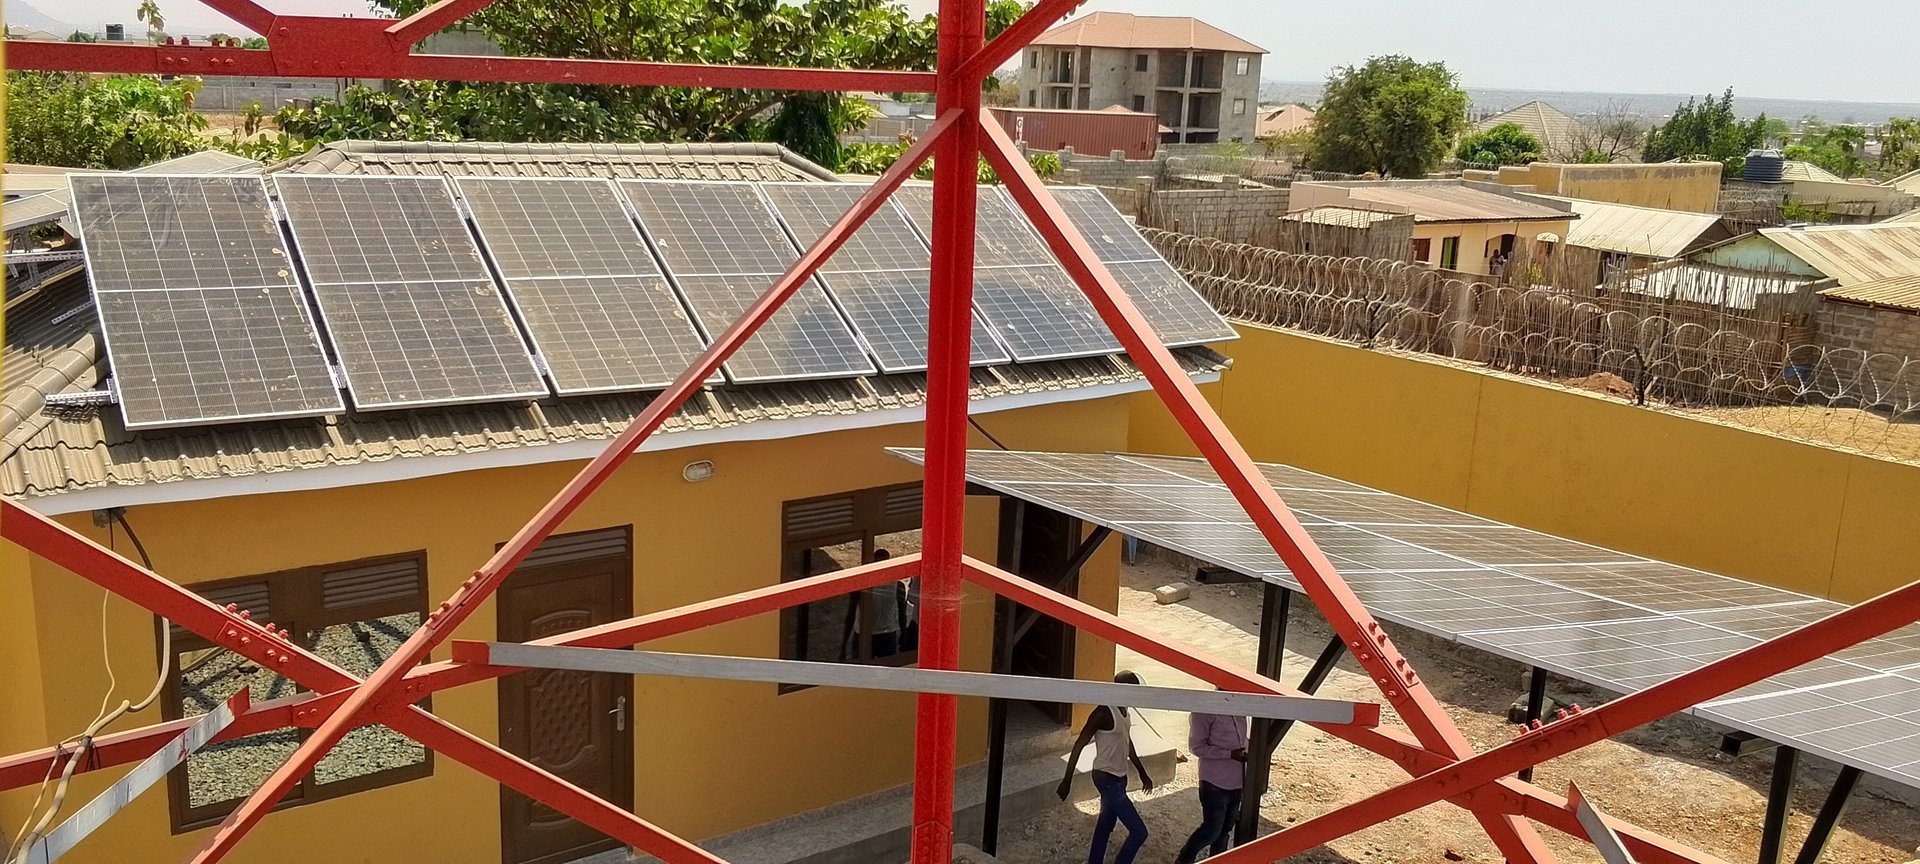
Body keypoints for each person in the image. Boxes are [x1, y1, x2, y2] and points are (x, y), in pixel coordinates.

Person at [1058, 671, 1154, 864]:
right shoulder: (1102, 713)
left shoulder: (1124, 710)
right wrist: (1067, 780)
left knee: (1105, 824)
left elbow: (1127, 742)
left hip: (1120, 778)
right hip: (1105, 778)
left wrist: (1142, 773)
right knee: (1139, 832)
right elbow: (1079, 745)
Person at [1174, 706, 1250, 863]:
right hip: (1215, 781)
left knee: (1225, 831)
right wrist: (1229, 754)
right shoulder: (1205, 709)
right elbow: (1197, 747)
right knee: (1211, 831)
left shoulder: (1240, 705)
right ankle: (1184, 860)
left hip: (1237, 781)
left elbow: (1244, 739)